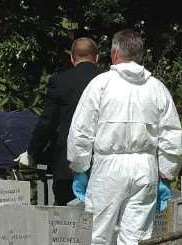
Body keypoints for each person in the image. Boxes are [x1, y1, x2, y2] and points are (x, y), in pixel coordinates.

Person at [67, 29, 182, 244]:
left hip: (108, 168)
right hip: (144, 169)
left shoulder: (100, 85)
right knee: (135, 238)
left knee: (97, 235)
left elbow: (81, 131)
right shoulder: (157, 89)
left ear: (114, 53)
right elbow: (172, 137)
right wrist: (166, 174)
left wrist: (79, 167)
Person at [27, 37, 101, 206]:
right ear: (97, 58)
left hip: (67, 164)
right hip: (101, 163)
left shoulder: (60, 81)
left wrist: (33, 151)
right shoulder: (108, 81)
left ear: (72, 58)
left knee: (66, 222)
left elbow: (48, 122)